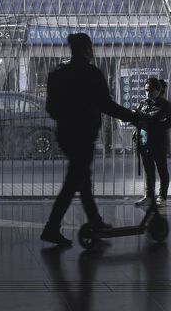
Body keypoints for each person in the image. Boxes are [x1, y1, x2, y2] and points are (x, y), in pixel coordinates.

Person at [40, 32, 139, 246]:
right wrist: (133, 117)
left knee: (81, 180)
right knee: (73, 182)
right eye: (91, 47)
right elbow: (106, 105)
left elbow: (51, 108)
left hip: (65, 134)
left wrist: (67, 117)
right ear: (86, 49)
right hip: (84, 135)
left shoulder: (58, 74)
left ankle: (95, 221)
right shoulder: (91, 73)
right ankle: (51, 227)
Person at [132, 76, 171, 206]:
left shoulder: (166, 105)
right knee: (148, 171)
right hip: (145, 142)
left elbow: (169, 123)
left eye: (150, 90)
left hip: (159, 142)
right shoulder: (143, 104)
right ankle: (148, 196)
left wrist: (151, 122)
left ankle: (162, 196)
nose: (148, 92)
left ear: (158, 90)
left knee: (162, 169)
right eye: (146, 90)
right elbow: (136, 119)